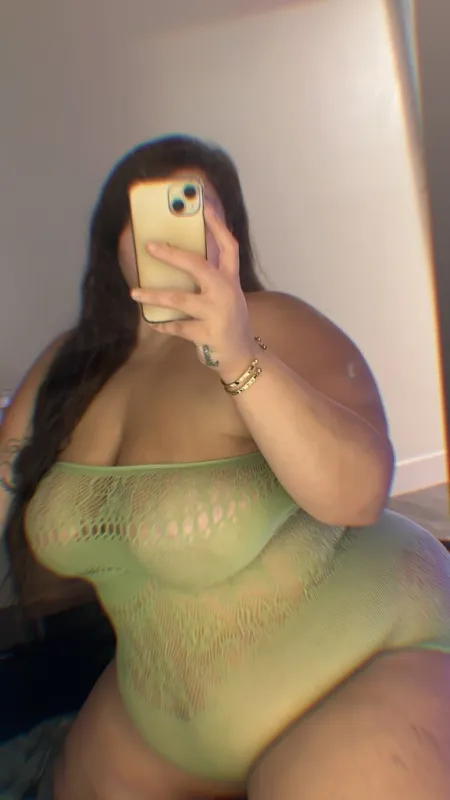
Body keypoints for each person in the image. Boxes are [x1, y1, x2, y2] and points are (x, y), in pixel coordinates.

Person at [1, 134, 450, 800]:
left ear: (229, 234)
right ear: (112, 236)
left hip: (369, 657)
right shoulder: (69, 364)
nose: (170, 236)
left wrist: (236, 352)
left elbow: (358, 494)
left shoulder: (274, 322)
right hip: (160, 720)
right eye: (148, 213)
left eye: (192, 210)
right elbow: (6, 476)